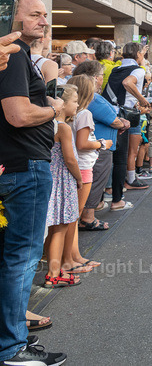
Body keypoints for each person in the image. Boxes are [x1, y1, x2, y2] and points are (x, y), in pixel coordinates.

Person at [0, 0, 68, 366]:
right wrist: (54, 108)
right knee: (22, 258)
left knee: (13, 258)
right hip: (24, 167)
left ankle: (11, 343)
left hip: (18, 166)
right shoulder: (11, 56)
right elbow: (19, 115)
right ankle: (12, 348)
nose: (44, 21)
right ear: (12, 18)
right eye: (35, 14)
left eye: (45, 14)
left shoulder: (17, 56)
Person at [74, 60, 127, 227]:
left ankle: (85, 216)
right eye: (102, 76)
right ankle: (87, 218)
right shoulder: (92, 99)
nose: (102, 80)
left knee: (93, 181)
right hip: (98, 148)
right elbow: (112, 120)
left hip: (96, 148)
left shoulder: (85, 97)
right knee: (95, 181)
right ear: (94, 78)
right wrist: (122, 123)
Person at [65, 73, 108, 271]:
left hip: (76, 166)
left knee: (72, 217)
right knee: (73, 216)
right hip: (82, 167)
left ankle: (75, 256)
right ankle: (72, 259)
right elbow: (82, 144)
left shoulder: (70, 114)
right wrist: (101, 143)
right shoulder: (84, 114)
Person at [43, 85, 81, 288]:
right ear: (63, 104)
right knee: (60, 227)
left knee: (52, 227)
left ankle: (53, 268)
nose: (77, 105)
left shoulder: (47, 124)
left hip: (51, 178)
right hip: (62, 180)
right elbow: (70, 159)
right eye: (75, 101)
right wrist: (79, 179)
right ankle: (53, 273)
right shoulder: (63, 128)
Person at [104, 42, 151, 197]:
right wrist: (142, 99)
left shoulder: (116, 68)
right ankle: (118, 199)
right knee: (121, 158)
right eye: (142, 53)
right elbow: (127, 83)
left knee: (109, 154)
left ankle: (106, 193)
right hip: (123, 115)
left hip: (110, 112)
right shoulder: (138, 70)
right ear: (138, 54)